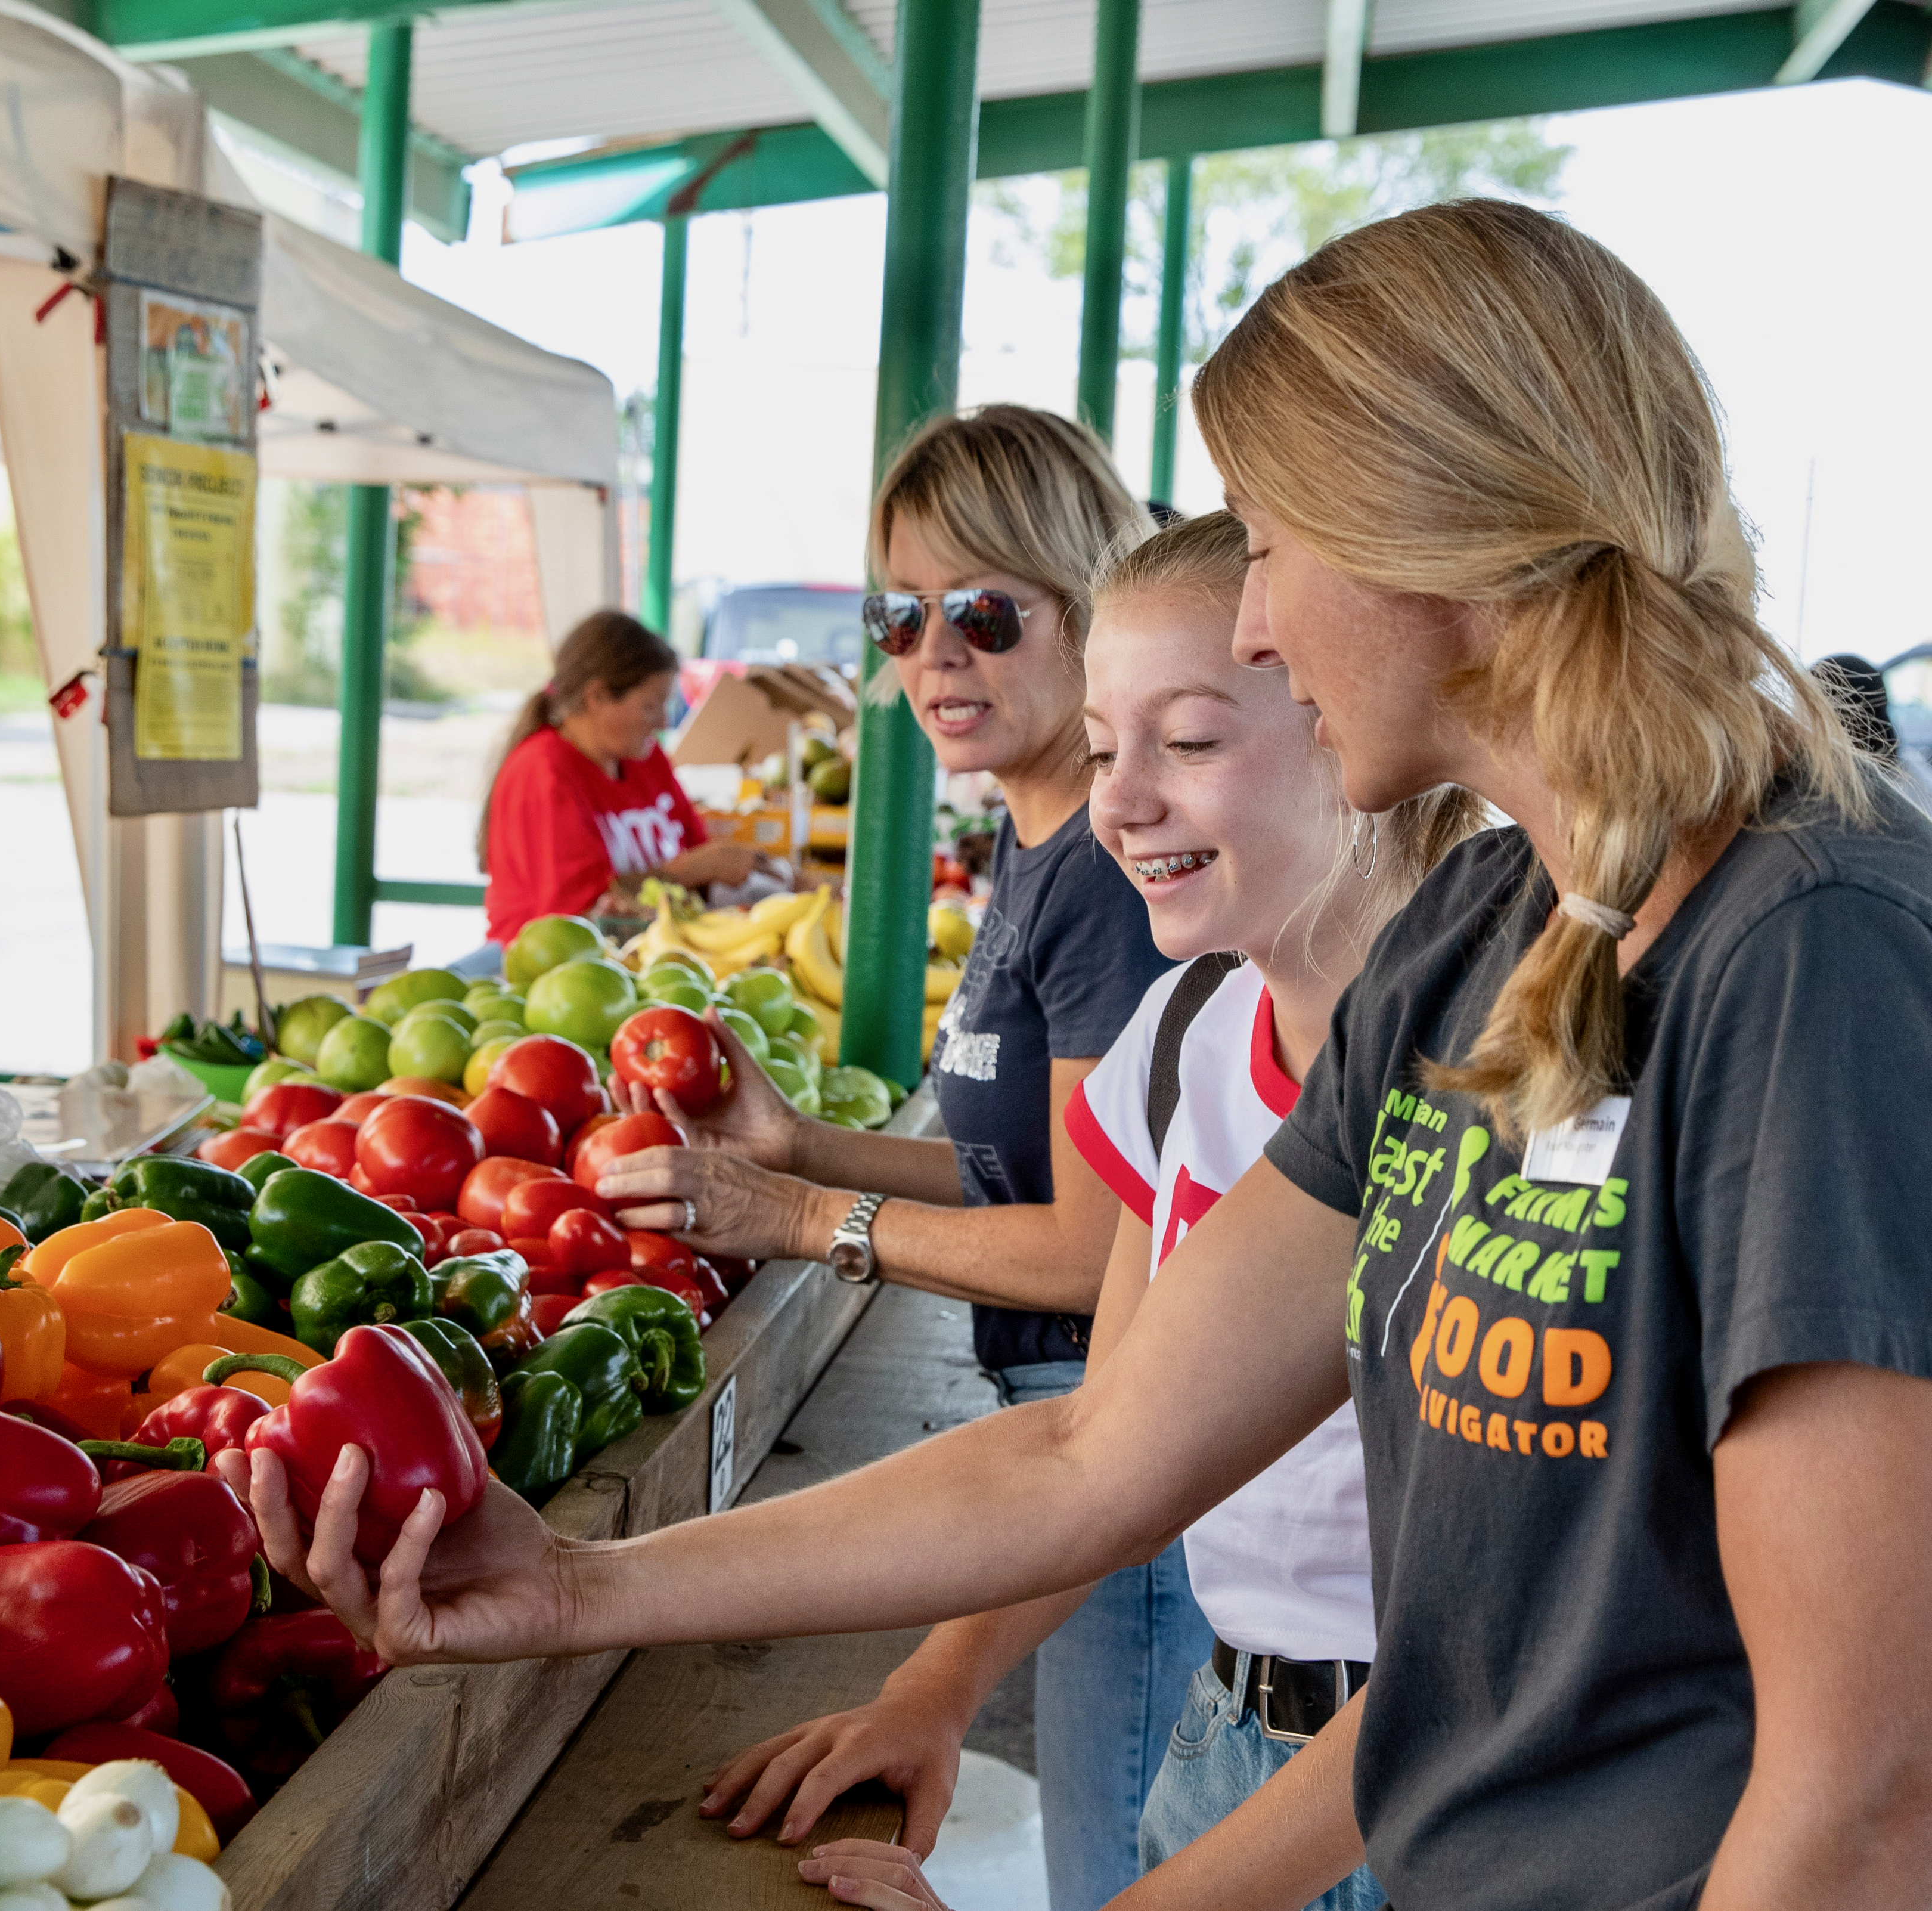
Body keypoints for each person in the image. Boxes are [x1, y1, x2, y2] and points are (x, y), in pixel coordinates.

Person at [228, 202, 1932, 1911]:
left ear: (1440, 528)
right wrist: (581, 1584)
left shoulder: (1812, 949)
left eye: (1266, 545)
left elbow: (1863, 1798)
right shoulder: (1486, 927)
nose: (1253, 624)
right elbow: (1096, 1451)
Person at [696, 512, 1478, 1909]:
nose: (1119, 803)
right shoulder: (1183, 1029)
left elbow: (1501, 1641)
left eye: (1186, 741)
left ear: (1356, 723)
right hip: (1222, 1729)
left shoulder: (1506, 1075)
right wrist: (939, 1679)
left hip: (1419, 1798)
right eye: (1107, 747)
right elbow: (1097, 1446)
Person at [604, 404, 1198, 1910]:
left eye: (987, 612)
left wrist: (803, 1208)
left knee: (1126, 1869)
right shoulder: (1034, 845)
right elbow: (1029, 1169)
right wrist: (801, 1140)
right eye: (903, 612)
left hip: (1118, 1478)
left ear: (1090, 607)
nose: (938, 652)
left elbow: (1086, 1246)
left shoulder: (1110, 885)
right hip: (1055, 1445)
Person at [464, 610, 759, 972]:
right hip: (554, 975)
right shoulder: (543, 772)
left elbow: (701, 851)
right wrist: (685, 872)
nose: (664, 722)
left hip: (639, 965)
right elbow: (582, 914)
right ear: (598, 696)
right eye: (651, 705)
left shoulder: (644, 759)